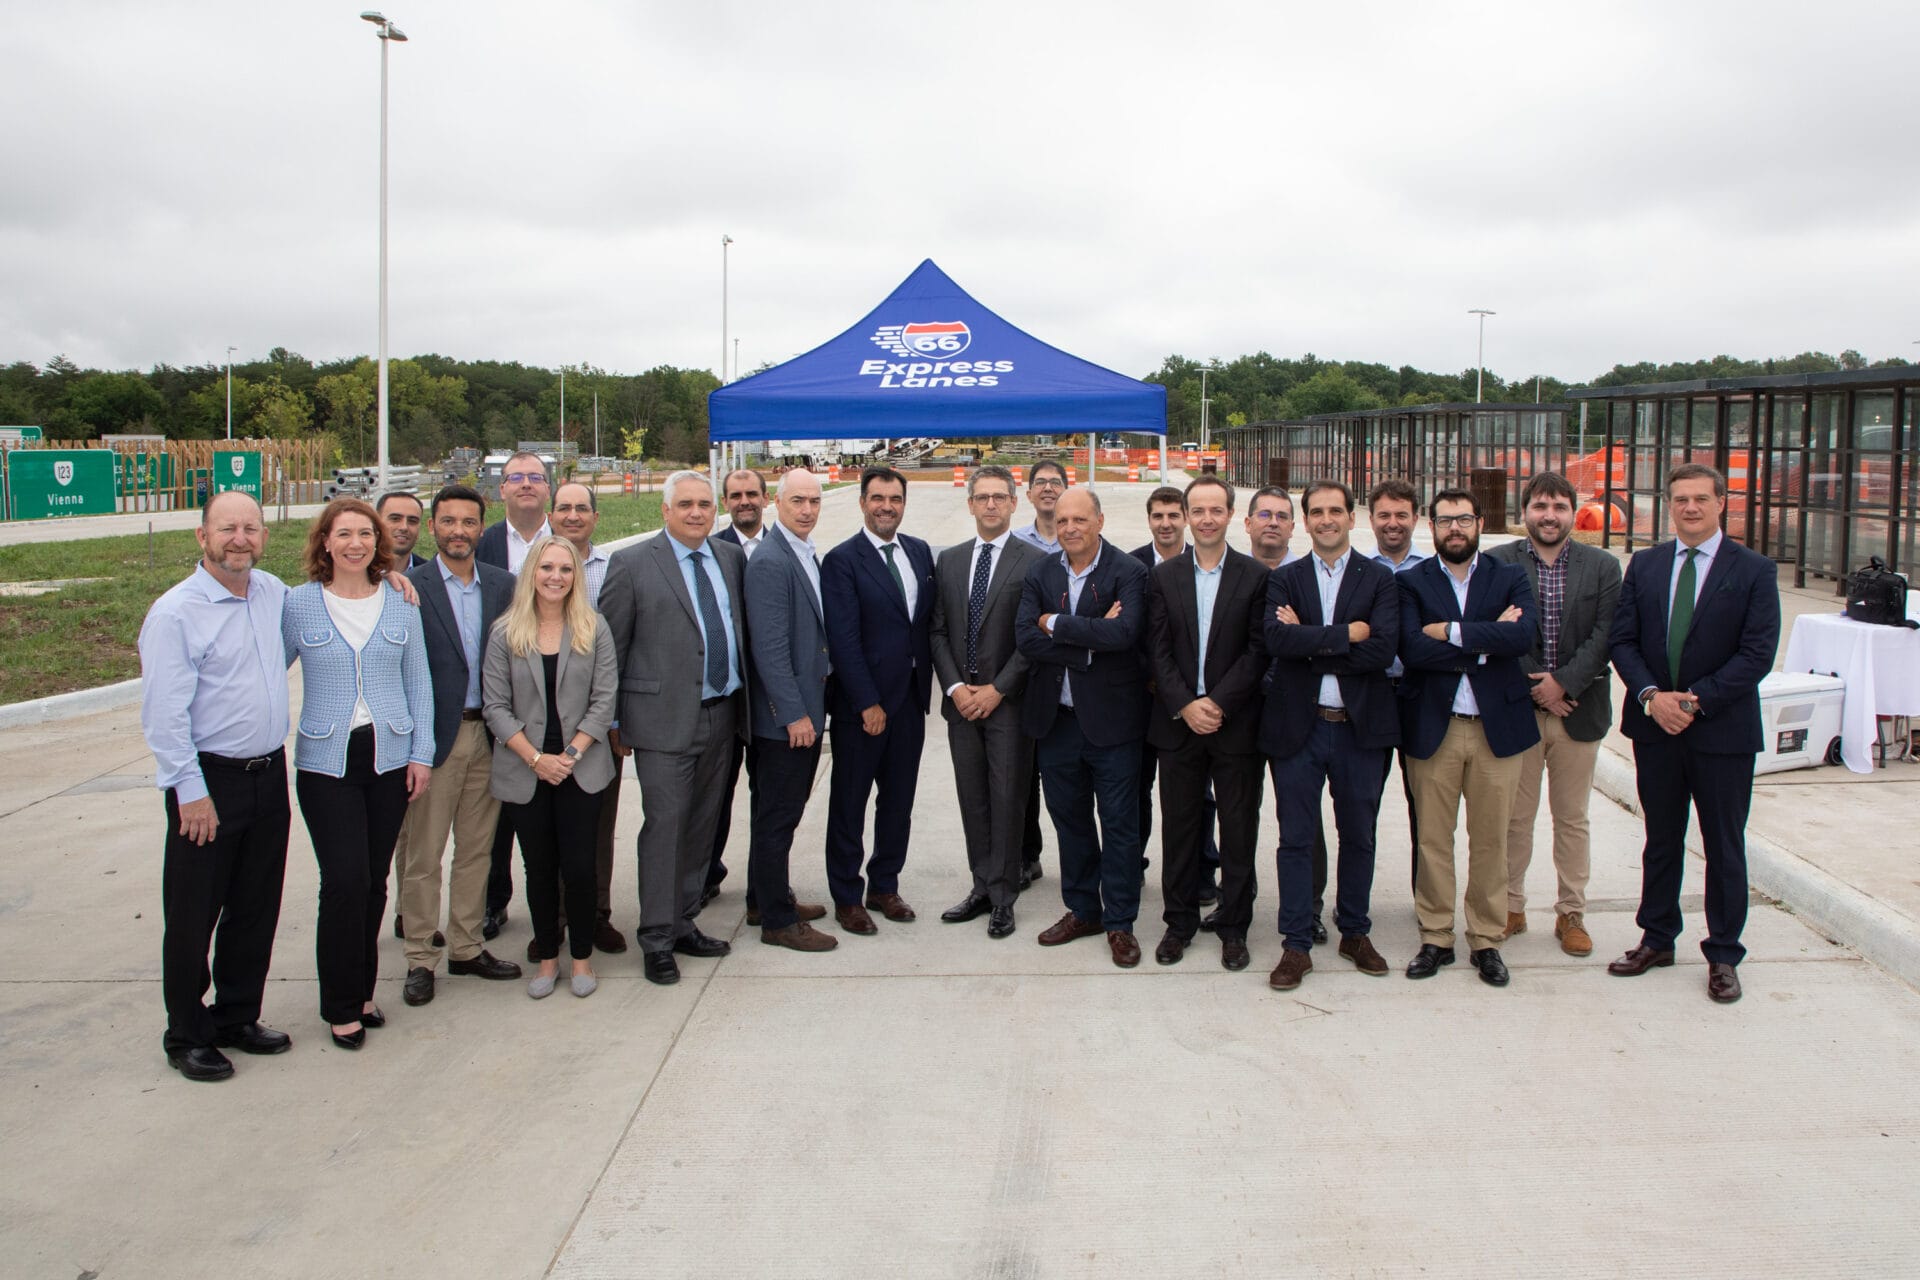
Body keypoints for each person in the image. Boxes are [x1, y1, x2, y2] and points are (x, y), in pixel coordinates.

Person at [1606, 463, 1780, 1004]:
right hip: (1655, 728)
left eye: (1701, 499)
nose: (1690, 508)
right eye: (1680, 499)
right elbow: (1623, 641)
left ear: (1721, 502)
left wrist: (1695, 701)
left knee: (1723, 846)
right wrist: (1652, 698)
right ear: (1669, 504)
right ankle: (1657, 939)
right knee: (1661, 840)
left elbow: (1757, 653)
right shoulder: (1648, 564)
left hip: (1721, 733)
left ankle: (1724, 953)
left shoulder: (1753, 570)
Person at [140, 493, 296, 1081]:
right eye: (227, 528)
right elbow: (163, 715)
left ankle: (237, 1016)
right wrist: (190, 790)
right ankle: (186, 1032)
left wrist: (397, 583)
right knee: (192, 913)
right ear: (201, 537)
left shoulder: (273, 593)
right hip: (209, 782)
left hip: (267, 774)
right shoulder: (176, 613)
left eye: (250, 528)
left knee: (255, 907)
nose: (240, 539)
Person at [281, 498, 434, 1049]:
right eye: (343, 533)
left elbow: (419, 683)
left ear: (378, 542)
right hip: (327, 761)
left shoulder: (399, 602)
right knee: (343, 882)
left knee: (373, 883)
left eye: (365, 534)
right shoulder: (297, 605)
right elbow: (267, 671)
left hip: (389, 757)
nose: (355, 543)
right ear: (324, 541)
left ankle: (364, 991)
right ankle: (339, 1004)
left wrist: (422, 754)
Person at [600, 471, 748, 984]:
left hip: (722, 713)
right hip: (661, 722)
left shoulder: (729, 559)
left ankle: (684, 920)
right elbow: (610, 650)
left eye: (705, 504)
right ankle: (657, 937)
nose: (695, 513)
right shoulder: (633, 564)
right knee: (665, 828)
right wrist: (615, 720)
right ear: (665, 510)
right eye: (684, 504)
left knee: (703, 826)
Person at [1258, 480, 1400, 990]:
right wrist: (1345, 634)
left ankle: (1354, 931)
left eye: (1335, 510)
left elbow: (1381, 650)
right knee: (1295, 839)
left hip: (1361, 731)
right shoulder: (1287, 577)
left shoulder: (1379, 580)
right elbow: (1276, 639)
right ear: (1306, 520)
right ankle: (1296, 944)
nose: (1326, 519)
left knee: (1358, 836)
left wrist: (1309, 639)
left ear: (1351, 517)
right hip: (1300, 727)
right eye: (1316, 512)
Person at [1396, 489, 1538, 988]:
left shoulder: (1510, 576)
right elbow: (1411, 648)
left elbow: (1523, 638)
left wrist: (1451, 633)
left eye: (1463, 519)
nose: (1454, 529)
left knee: (1491, 841)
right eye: (1444, 520)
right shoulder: (1411, 582)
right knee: (1433, 840)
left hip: (1497, 731)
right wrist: (1484, 640)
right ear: (1430, 527)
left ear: (1480, 522)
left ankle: (1486, 940)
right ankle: (1435, 936)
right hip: (1435, 728)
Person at [1486, 472, 1622, 957]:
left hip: (1579, 710)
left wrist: (1563, 682)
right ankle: (1510, 906)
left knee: (1572, 818)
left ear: (1572, 512)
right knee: (1514, 819)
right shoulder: (1498, 562)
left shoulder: (1603, 566)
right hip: (1517, 711)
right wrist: (1539, 687)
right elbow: (1493, 627)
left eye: (1560, 507)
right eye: (1541, 506)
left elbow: (1607, 633)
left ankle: (1571, 912)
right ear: (1525, 511)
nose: (1550, 515)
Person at [1015, 487, 1151, 969]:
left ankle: (1120, 921)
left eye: (1080, 519)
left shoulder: (1129, 572)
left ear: (1099, 521)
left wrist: (1058, 623)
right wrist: (1088, 639)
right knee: (1069, 821)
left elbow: (1126, 633)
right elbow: (1027, 638)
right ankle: (1083, 910)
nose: (1069, 527)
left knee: (1118, 825)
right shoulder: (1041, 571)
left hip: (1113, 724)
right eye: (1062, 519)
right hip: (1058, 723)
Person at [399, 485, 522, 1007]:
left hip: (491, 737)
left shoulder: (503, 586)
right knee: (424, 856)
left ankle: (467, 947)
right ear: (434, 528)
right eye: (447, 522)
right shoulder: (409, 586)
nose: (458, 531)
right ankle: (421, 957)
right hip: (436, 738)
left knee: (477, 851)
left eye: (468, 522)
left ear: (481, 527)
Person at [483, 536, 620, 999]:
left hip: (580, 767)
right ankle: (547, 960)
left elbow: (604, 701)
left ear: (575, 577)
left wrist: (571, 756)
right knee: (539, 868)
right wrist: (537, 759)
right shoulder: (505, 632)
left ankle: (581, 960)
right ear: (531, 574)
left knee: (580, 868)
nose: (555, 577)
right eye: (546, 568)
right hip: (527, 769)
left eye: (565, 569)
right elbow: (495, 706)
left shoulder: (593, 627)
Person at [1144, 476, 1267, 972]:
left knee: (1239, 830)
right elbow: (1156, 650)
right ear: (1188, 516)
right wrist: (1186, 704)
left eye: (1217, 509)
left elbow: (1259, 650)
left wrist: (1215, 702)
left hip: (1234, 727)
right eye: (1199, 510)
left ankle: (1234, 927)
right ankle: (1179, 923)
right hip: (1177, 726)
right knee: (1180, 828)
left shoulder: (1256, 576)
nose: (1207, 518)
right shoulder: (1163, 576)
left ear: (1231, 515)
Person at [820, 465, 936, 935]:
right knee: (850, 802)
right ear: (862, 502)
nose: (887, 506)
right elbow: (843, 639)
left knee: (898, 802)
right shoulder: (842, 560)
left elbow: (922, 626)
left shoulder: (919, 552)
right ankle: (847, 896)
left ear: (904, 504)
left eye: (895, 498)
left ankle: (884, 884)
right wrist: (866, 702)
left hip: (909, 700)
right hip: (862, 707)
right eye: (877, 498)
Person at [930, 465, 1043, 938]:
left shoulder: (1035, 561)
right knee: (972, 799)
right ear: (970, 503)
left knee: (1007, 798)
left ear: (1015, 503)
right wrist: (956, 688)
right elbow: (937, 631)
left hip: (1008, 703)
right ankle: (981, 886)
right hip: (962, 704)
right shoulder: (951, 561)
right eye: (983, 497)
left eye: (1000, 496)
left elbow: (1034, 638)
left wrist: (998, 689)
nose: (991, 504)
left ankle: (1003, 897)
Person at [743, 469, 837, 952]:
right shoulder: (771, 561)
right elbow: (770, 649)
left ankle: (765, 897)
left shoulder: (800, 551)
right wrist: (794, 715)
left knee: (776, 813)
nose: (806, 509)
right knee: (778, 818)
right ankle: (778, 922)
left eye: (814, 501)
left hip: (801, 711)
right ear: (774, 504)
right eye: (797, 500)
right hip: (787, 722)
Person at [1231, 483, 1328, 942]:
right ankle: (1236, 902)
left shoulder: (1315, 577)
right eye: (1263, 514)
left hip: (1300, 713)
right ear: (1246, 523)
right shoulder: (1232, 575)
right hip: (1240, 712)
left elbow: (1322, 645)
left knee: (1302, 818)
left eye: (1282, 515)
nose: (1272, 522)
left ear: (1296, 526)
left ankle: (1309, 908)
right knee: (1237, 814)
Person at [546, 481, 626, 956]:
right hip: (541, 727)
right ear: (551, 516)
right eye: (564, 508)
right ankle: (553, 919)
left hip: (599, 724)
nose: (573, 515)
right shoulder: (532, 569)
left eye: (582, 508)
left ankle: (595, 915)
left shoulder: (613, 570)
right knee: (547, 832)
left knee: (599, 825)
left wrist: (613, 721)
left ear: (595, 517)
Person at [477, 451, 552, 940]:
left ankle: (557, 908)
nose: (526, 485)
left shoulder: (568, 545)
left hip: (554, 703)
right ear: (500, 489)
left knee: (552, 821)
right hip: (496, 702)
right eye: (516, 478)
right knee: (495, 815)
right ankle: (492, 901)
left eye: (535, 478)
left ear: (548, 487)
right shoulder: (478, 545)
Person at [704, 468, 772, 905]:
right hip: (727, 700)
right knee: (714, 798)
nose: (744, 501)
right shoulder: (712, 551)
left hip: (769, 701)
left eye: (751, 494)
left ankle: (763, 888)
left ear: (766, 499)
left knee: (767, 800)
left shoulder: (787, 547)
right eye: (735, 495)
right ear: (725, 502)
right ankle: (706, 874)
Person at [1367, 478, 1427, 893]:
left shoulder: (1430, 572)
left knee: (1426, 807)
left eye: (1401, 515)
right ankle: (1356, 902)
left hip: (1420, 694)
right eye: (1384, 515)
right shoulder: (1360, 572)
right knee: (1361, 805)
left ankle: (1428, 901)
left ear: (1416, 519)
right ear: (1370, 519)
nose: (1393, 523)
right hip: (1370, 693)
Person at [1010, 459, 1067, 888]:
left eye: (1056, 483)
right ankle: (1027, 854)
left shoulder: (1081, 542)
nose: (1048, 488)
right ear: (1027, 495)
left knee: (1067, 778)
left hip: (1070, 679)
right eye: (1040, 483)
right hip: (1023, 677)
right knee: (1024, 777)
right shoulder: (1012, 547)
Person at [377, 491, 429, 569]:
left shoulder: (433, 574)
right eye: (395, 519)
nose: (404, 527)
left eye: (412, 521)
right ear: (377, 523)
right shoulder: (359, 571)